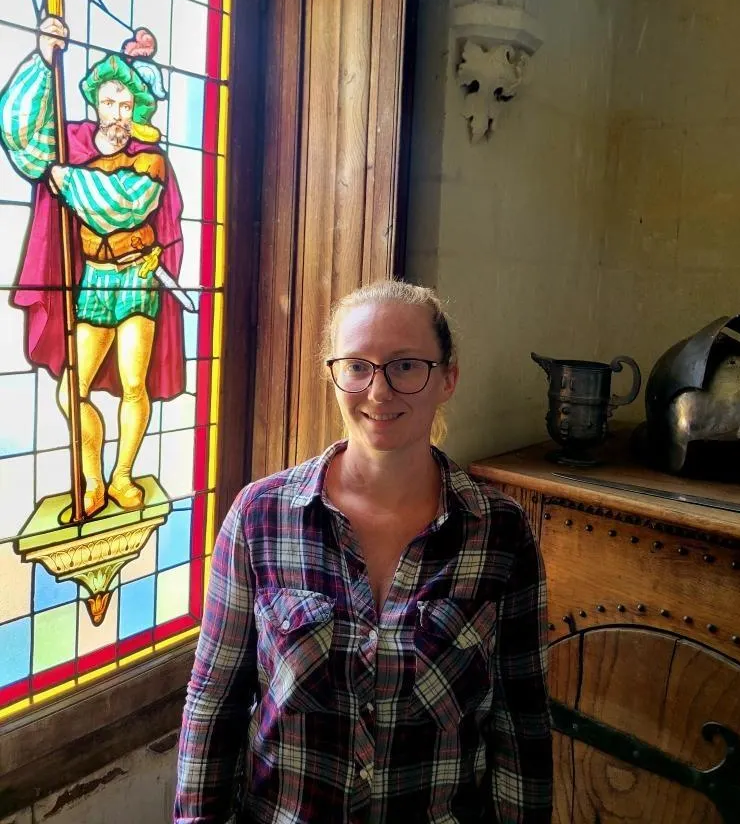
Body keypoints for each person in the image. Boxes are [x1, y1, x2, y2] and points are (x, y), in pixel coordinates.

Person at [175, 279, 553, 823]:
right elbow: (214, 703)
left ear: (447, 378)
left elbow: (521, 722)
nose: (378, 392)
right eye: (357, 366)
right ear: (333, 375)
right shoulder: (260, 517)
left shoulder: (500, 533)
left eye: (406, 366)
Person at [0, 18, 185, 517]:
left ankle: (122, 475)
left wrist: (69, 179)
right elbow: (20, 134)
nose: (117, 114)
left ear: (138, 109)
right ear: (95, 102)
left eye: (126, 105)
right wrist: (44, 59)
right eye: (108, 102)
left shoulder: (149, 159)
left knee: (133, 383)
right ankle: (94, 480)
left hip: (136, 278)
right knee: (71, 391)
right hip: (96, 280)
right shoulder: (72, 142)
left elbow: (121, 206)